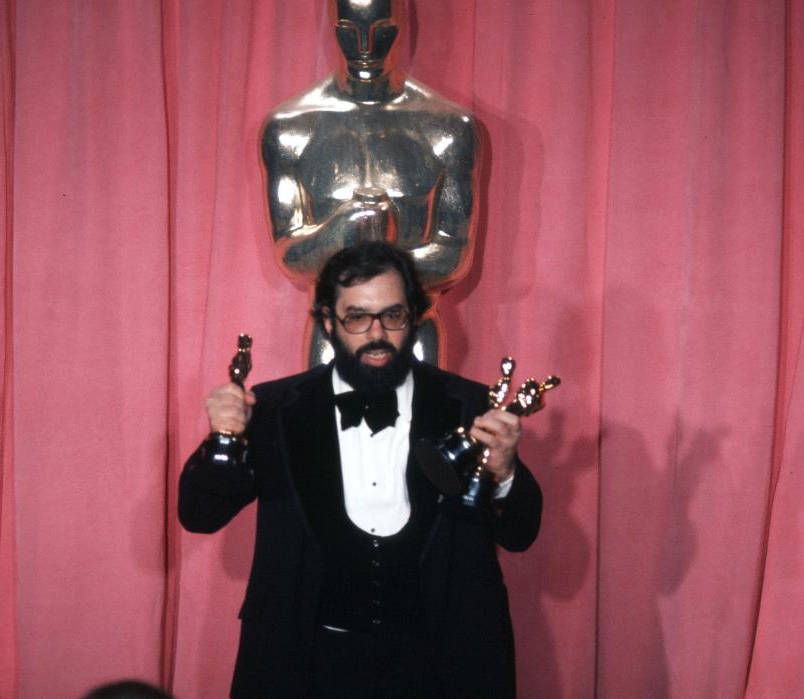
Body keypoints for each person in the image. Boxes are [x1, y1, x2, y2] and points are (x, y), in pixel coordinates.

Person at [179, 242, 541, 698]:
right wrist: (225, 439)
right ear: (328, 321)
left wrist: (505, 474)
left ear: (414, 317)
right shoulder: (273, 408)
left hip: (443, 666)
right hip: (304, 665)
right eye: (357, 318)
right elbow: (199, 515)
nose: (377, 334)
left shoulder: (468, 404)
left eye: (393, 315)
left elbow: (522, 534)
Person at [261, 0, 482, 366]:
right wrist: (340, 230)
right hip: (334, 332)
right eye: (348, 32)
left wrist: (380, 247)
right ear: (332, 28)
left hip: (413, 328)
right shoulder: (290, 128)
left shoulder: (447, 127)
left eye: (382, 31)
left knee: (424, 422)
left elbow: (455, 255)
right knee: (322, 423)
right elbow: (289, 256)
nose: (364, 47)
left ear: (402, 25)